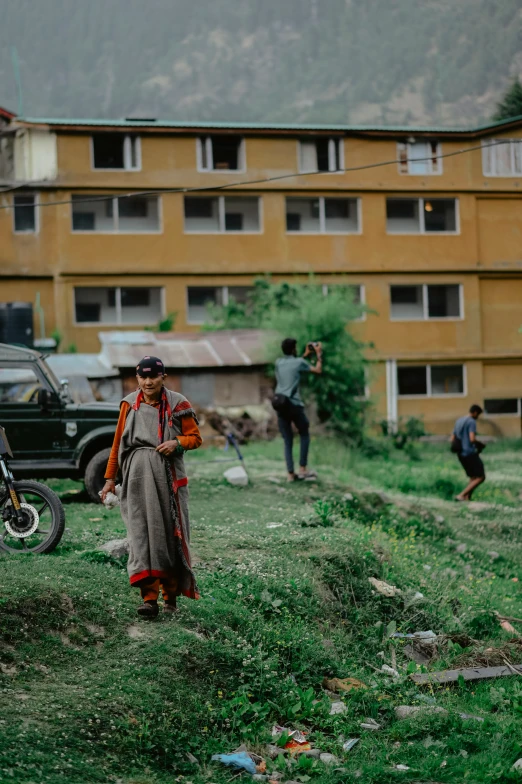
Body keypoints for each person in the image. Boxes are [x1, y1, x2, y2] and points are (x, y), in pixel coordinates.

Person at [101, 356, 202, 618]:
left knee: (169, 533)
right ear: (137, 378)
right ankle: (149, 600)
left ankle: (170, 598)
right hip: (136, 477)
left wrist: (176, 443)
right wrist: (110, 479)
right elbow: (117, 444)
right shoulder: (128, 405)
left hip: (168, 479)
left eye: (153, 377)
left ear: (163, 377)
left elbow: (196, 438)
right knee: (141, 534)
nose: (148, 382)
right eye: (142, 377)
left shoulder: (179, 403)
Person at [274, 337, 323, 482]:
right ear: (294, 349)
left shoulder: (278, 362)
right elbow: (318, 370)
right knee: (304, 433)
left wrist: (305, 355)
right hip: (293, 404)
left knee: (288, 440)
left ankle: (290, 474)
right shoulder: (299, 362)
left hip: (279, 402)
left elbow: (293, 367)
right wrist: (318, 354)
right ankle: (302, 468)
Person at [451, 404, 486, 502]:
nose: (477, 417)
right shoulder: (471, 422)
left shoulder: (459, 421)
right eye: (478, 415)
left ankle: (467, 498)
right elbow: (472, 439)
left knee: (473, 476)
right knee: (481, 477)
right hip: (469, 453)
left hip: (460, 453)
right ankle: (461, 495)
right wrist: (481, 444)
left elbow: (452, 438)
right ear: (475, 412)